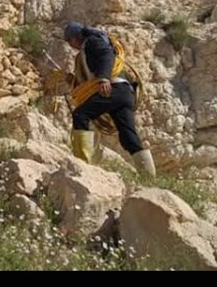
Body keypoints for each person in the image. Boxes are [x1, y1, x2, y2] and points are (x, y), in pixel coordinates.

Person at [63, 21, 156, 178]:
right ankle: (149, 177)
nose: (70, 45)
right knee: (128, 137)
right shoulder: (88, 48)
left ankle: (82, 163)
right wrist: (72, 80)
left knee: (80, 114)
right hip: (124, 93)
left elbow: (107, 55)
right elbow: (90, 78)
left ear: (76, 38)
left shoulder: (92, 42)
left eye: (69, 41)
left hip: (113, 89)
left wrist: (104, 79)